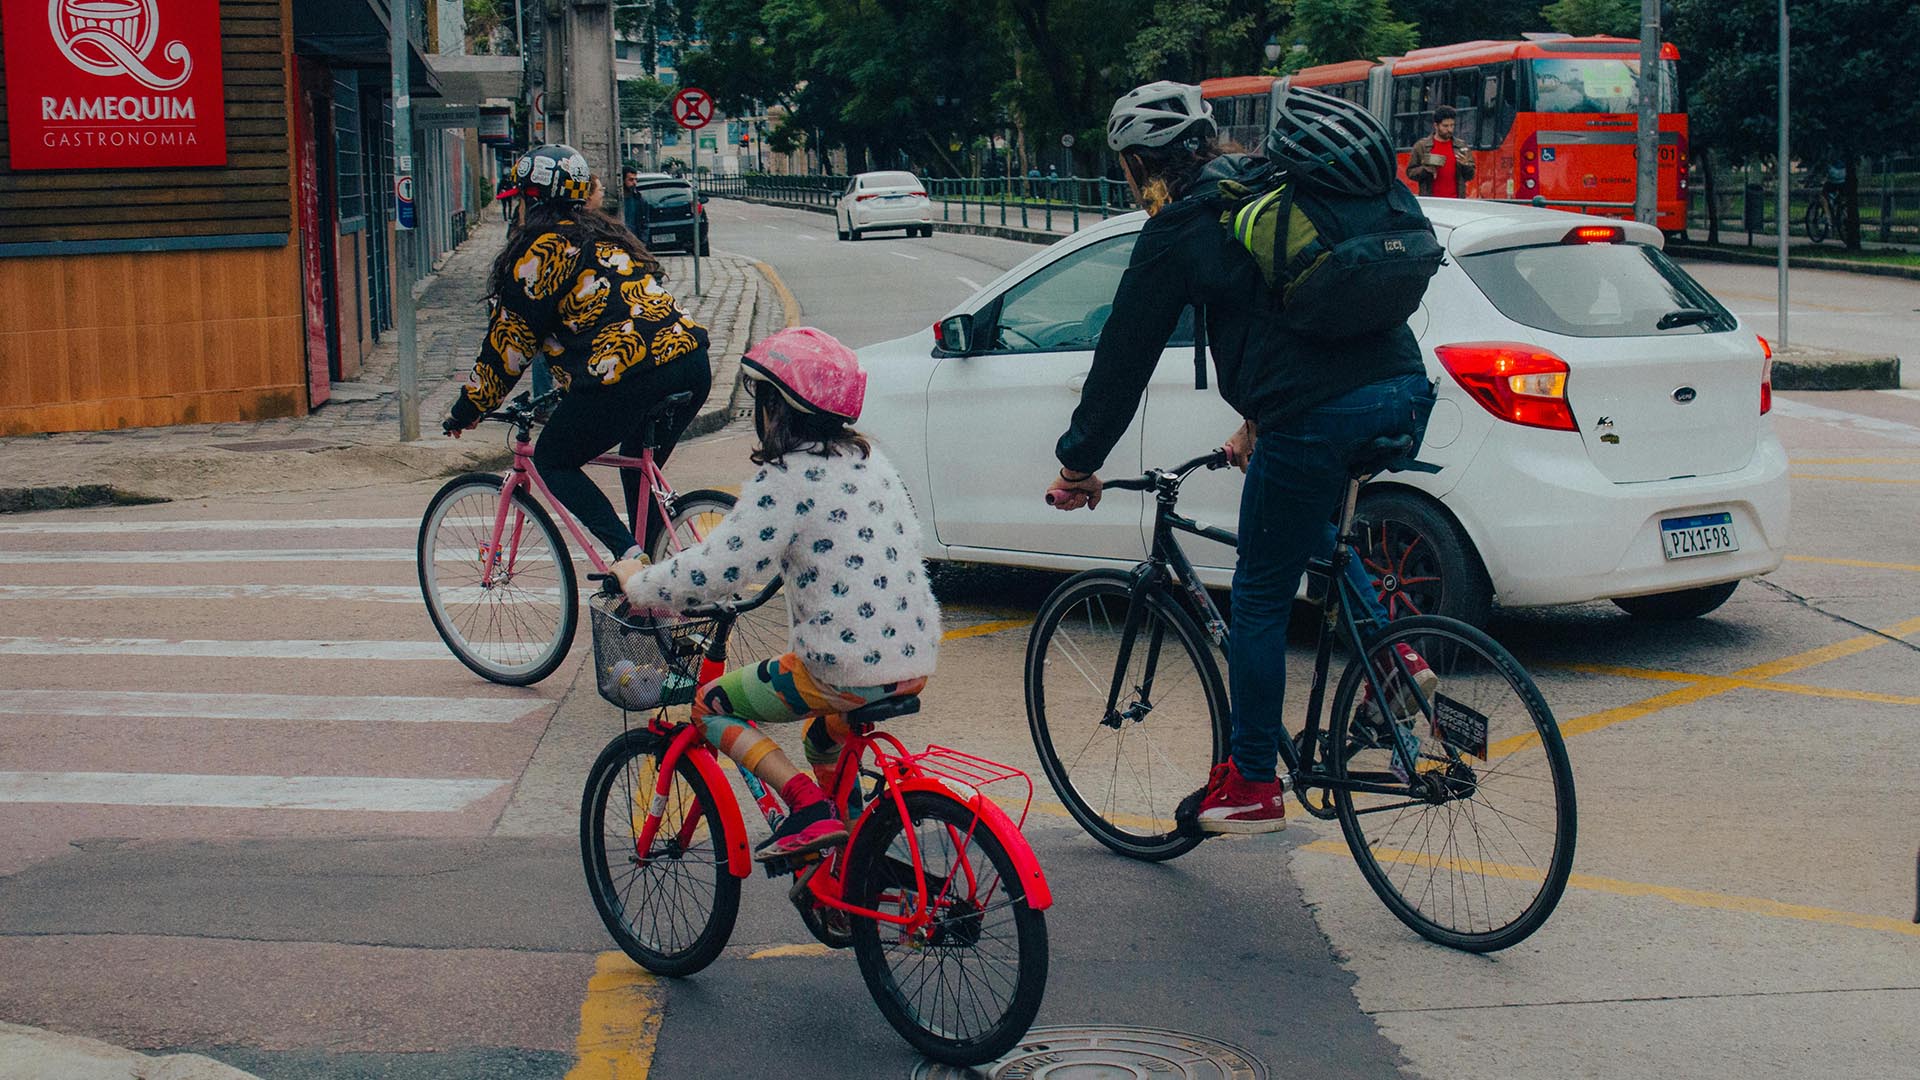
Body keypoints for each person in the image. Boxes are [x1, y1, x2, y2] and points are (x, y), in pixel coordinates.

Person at [1044, 82, 1436, 834]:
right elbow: (1293, 312)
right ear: (1208, 139)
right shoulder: (1273, 187)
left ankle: (1252, 783)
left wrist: (1077, 463)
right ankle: (1395, 654)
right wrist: (1256, 421)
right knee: (1304, 523)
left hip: (1315, 414)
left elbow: (1122, 361)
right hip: (1402, 392)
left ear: (1137, 165)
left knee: (1258, 593)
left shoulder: (1180, 227)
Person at [611, 327, 942, 860]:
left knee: (710, 706)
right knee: (822, 740)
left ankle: (807, 808)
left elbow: (717, 570)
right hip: (911, 658)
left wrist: (642, 583)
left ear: (775, 406)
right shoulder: (868, 461)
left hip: (842, 667)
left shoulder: (786, 477)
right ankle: (856, 863)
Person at [444, 144, 712, 562]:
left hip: (632, 371)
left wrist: (468, 408)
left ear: (531, 201)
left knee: (553, 459)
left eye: (518, 201)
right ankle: (662, 580)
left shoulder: (539, 253)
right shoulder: (606, 236)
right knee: (638, 468)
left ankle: (629, 559)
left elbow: (508, 346)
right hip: (691, 360)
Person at [1405, 105, 1475, 198]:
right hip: (1431, 202)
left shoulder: (1461, 146)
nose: (1449, 129)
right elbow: (1410, 173)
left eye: (1452, 125)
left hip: (1456, 202)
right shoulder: (1421, 146)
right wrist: (1426, 169)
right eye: (1445, 126)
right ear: (1436, 125)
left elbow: (1470, 176)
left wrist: (1465, 165)